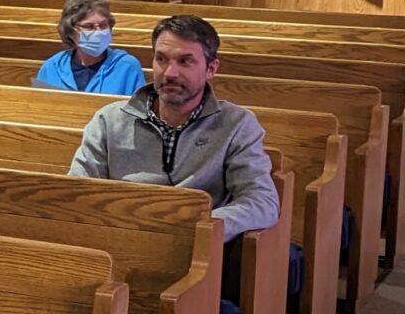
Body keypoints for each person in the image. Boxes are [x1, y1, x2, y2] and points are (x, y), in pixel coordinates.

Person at [69, 15, 279, 241]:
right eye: (161, 59)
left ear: (211, 68)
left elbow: (261, 202)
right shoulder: (109, 120)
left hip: (195, 250)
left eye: (185, 61)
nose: (170, 73)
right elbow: (77, 192)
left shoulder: (236, 125)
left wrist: (198, 228)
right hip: (119, 241)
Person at [34, 0, 146, 95]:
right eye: (89, 27)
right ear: (71, 31)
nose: (98, 32)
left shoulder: (127, 66)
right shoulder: (52, 67)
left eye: (103, 25)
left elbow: (138, 112)